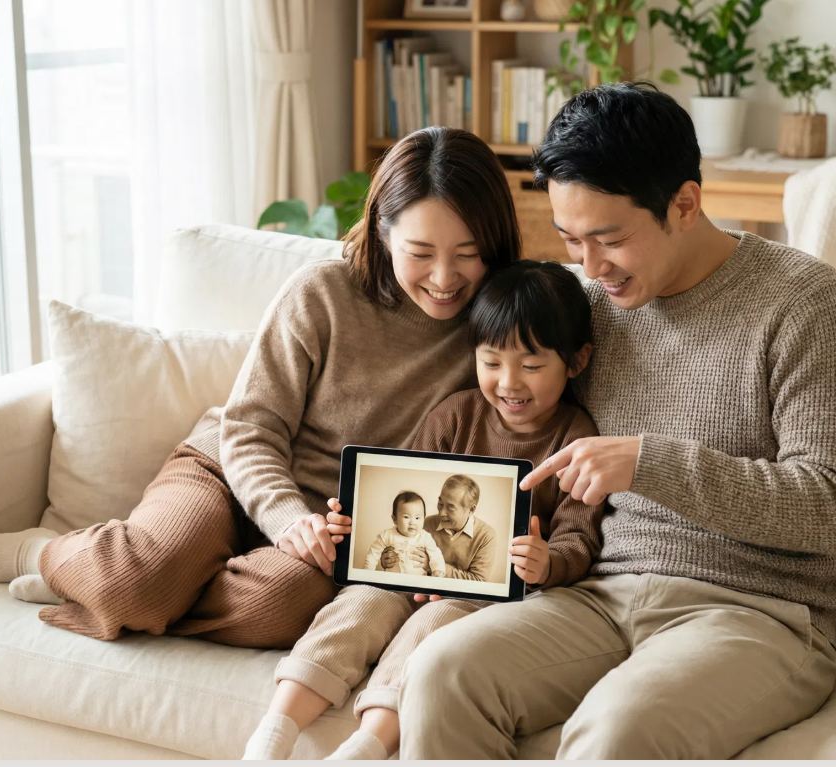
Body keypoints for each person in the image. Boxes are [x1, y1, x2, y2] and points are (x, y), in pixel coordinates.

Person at [398, 82, 836, 759]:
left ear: (684, 203)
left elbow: (834, 507)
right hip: (598, 595)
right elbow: (505, 415)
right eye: (571, 240)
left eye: (609, 239)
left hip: (756, 613)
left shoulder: (806, 303)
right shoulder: (590, 311)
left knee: (618, 729)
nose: (591, 268)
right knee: (440, 672)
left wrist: (650, 462)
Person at [0, 126, 521, 650]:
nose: (445, 279)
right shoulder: (325, 293)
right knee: (138, 581)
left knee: (280, 608)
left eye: (467, 255)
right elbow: (251, 427)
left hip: (330, 535)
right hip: (231, 471)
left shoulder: (502, 329)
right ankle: (47, 555)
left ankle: (148, 582)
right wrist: (285, 515)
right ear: (383, 233)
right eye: (420, 253)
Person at [242, 259, 604, 760]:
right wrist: (353, 523)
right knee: (359, 605)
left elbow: (579, 538)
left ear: (577, 361)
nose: (509, 382)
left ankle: (364, 749)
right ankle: (272, 734)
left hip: (482, 596)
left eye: (533, 365)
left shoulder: (576, 438)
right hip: (406, 570)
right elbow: (402, 490)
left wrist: (548, 561)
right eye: (491, 362)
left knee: (432, 634)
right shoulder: (455, 415)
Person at [363, 491, 445, 576]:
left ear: (424, 518)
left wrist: (438, 570)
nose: (412, 522)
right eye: (406, 517)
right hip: (391, 579)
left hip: (418, 580)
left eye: (417, 518)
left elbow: (436, 555)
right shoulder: (387, 535)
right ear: (395, 519)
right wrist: (367, 573)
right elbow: (373, 554)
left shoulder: (425, 537)